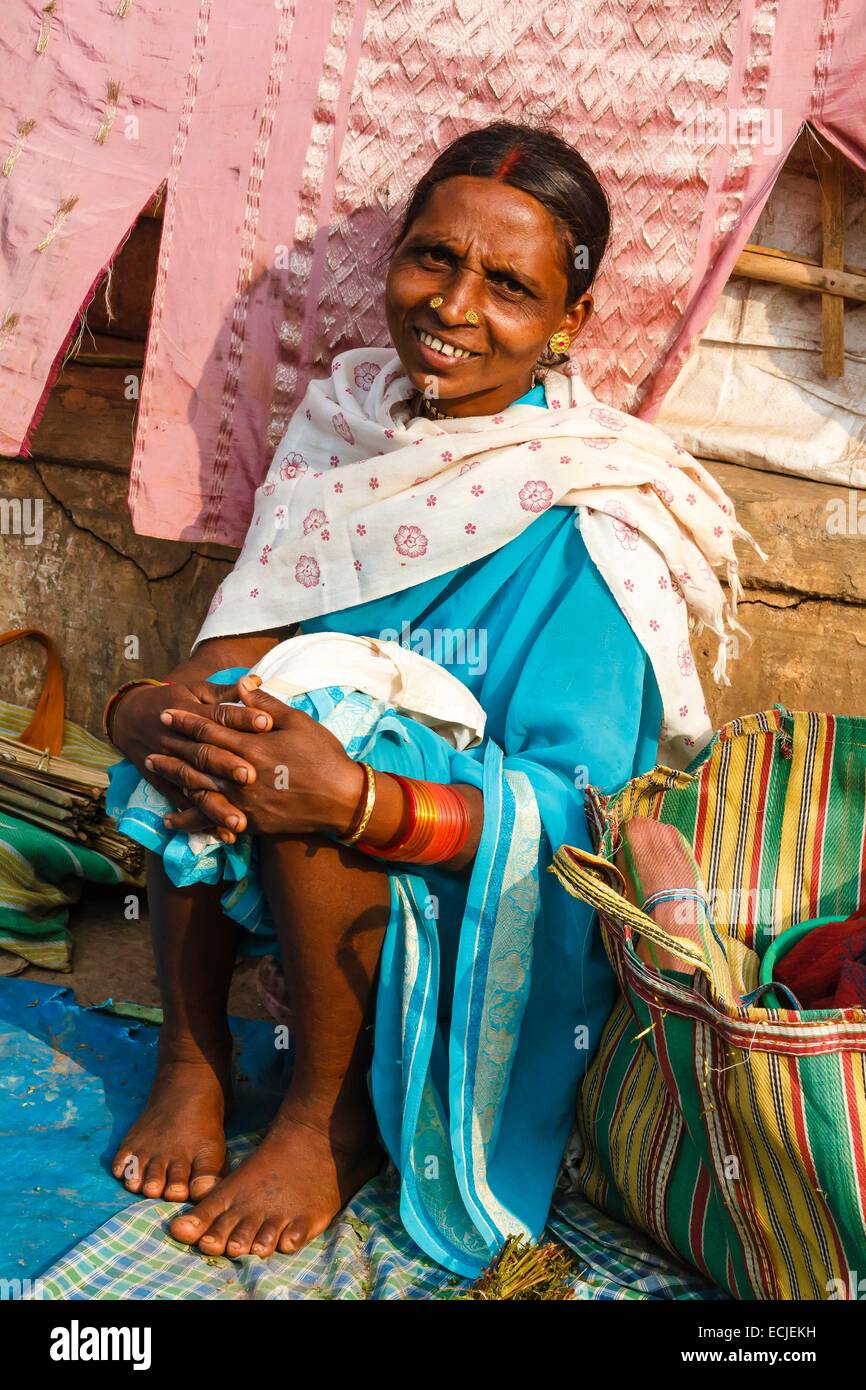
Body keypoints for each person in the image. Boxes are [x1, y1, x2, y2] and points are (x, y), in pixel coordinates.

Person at [105, 120, 756, 1277]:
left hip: (476, 892)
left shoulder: (593, 510)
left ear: (568, 325)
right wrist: (147, 714)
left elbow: (583, 818)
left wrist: (361, 798)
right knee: (222, 720)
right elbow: (229, 652)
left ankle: (326, 1117)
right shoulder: (345, 425)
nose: (452, 307)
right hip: (298, 831)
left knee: (321, 731)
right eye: (431, 259)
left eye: (507, 285)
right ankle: (193, 1056)